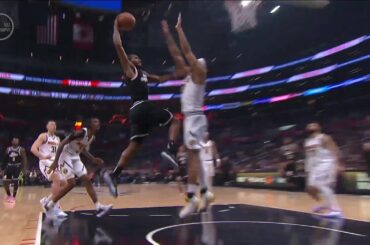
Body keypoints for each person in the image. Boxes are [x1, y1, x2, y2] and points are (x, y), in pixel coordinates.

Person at [104, 17, 184, 197]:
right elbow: (119, 46)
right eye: (135, 57)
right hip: (142, 106)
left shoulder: (143, 73)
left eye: (138, 57)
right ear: (130, 61)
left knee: (134, 146)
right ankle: (170, 151)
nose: (138, 58)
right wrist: (116, 26)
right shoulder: (130, 70)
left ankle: (113, 175)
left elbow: (161, 79)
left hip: (137, 112)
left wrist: (175, 75)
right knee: (176, 121)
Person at [161, 14, 214, 218]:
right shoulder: (189, 77)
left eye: (195, 62)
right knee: (196, 157)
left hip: (194, 118)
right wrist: (167, 35)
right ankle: (205, 192)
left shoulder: (199, 74)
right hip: (193, 119)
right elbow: (176, 54)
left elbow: (185, 51)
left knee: (192, 157)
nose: (192, 63)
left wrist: (179, 29)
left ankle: (191, 199)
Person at [45, 118, 112, 218]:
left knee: (87, 180)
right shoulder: (81, 132)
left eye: (99, 121)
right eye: (95, 122)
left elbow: (82, 149)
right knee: (72, 183)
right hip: (65, 155)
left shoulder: (92, 137)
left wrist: (93, 159)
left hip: (75, 156)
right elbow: (62, 143)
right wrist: (55, 162)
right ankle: (50, 205)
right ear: (90, 125)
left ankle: (98, 207)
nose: (98, 123)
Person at [304, 122, 343, 218]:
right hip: (314, 166)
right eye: (309, 125)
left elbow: (335, 151)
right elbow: (309, 156)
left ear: (319, 127)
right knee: (311, 187)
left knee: (323, 185)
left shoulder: (324, 137)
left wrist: (337, 164)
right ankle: (326, 205)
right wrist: (307, 169)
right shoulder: (307, 141)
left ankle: (335, 209)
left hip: (326, 163)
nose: (310, 126)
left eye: (313, 125)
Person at [31, 120, 67, 217]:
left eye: (55, 124)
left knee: (65, 184)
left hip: (55, 163)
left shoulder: (58, 139)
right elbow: (33, 148)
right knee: (56, 178)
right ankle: (55, 207)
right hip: (45, 163)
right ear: (47, 126)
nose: (54, 126)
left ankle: (46, 201)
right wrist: (41, 156)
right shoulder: (43, 136)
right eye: (51, 124)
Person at [1, 137, 27, 203]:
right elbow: (4, 159)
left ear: (18, 142)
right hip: (9, 166)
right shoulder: (8, 149)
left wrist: (24, 169)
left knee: (16, 181)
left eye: (17, 141)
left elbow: (24, 159)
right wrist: (2, 169)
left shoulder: (21, 149)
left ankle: (14, 197)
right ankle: (9, 195)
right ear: (12, 142)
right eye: (14, 141)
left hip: (17, 166)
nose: (16, 142)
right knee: (5, 181)